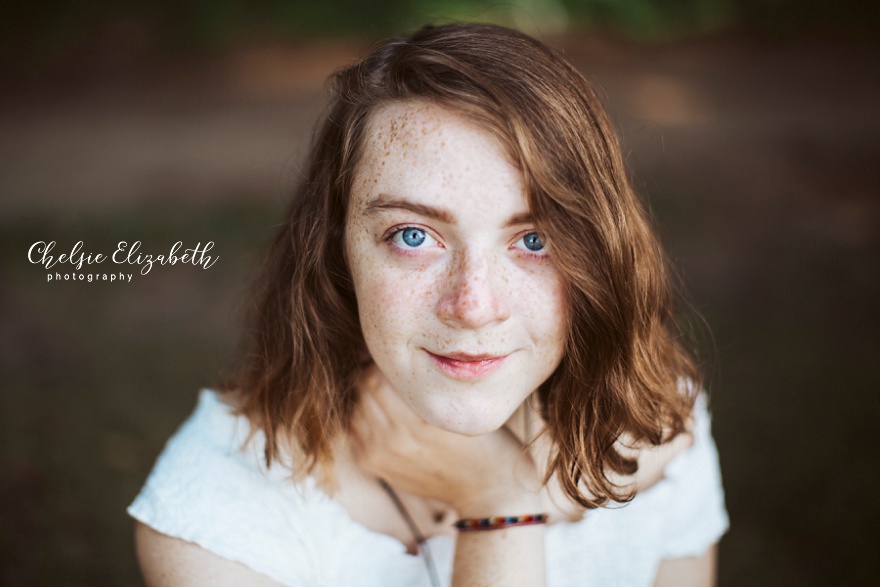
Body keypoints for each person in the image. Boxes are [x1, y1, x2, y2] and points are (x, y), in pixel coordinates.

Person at [128, 22, 728, 587]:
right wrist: (501, 509)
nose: (472, 306)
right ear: (337, 248)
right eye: (413, 235)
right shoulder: (216, 521)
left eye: (534, 240)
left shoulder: (656, 428)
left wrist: (517, 488)